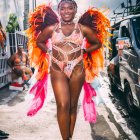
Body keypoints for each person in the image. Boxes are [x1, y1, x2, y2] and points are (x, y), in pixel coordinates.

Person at [26, 0, 110, 139]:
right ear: (59, 11)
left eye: (70, 8)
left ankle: (69, 136)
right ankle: (65, 139)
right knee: (63, 104)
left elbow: (97, 43)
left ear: (75, 10)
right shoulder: (52, 28)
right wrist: (49, 52)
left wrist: (84, 51)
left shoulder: (82, 28)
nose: (66, 11)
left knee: (72, 105)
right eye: (63, 9)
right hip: (57, 68)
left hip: (77, 69)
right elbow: (39, 41)